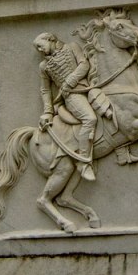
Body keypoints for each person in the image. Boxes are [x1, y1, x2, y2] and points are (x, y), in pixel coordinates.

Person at [35, 32, 97, 181]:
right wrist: (48, 112)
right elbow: (45, 90)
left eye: (40, 46)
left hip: (88, 87)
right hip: (72, 96)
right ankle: (83, 163)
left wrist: (70, 81)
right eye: (37, 49)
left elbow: (84, 64)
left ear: (50, 39)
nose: (40, 50)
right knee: (90, 118)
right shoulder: (44, 66)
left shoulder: (72, 47)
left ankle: (122, 150)